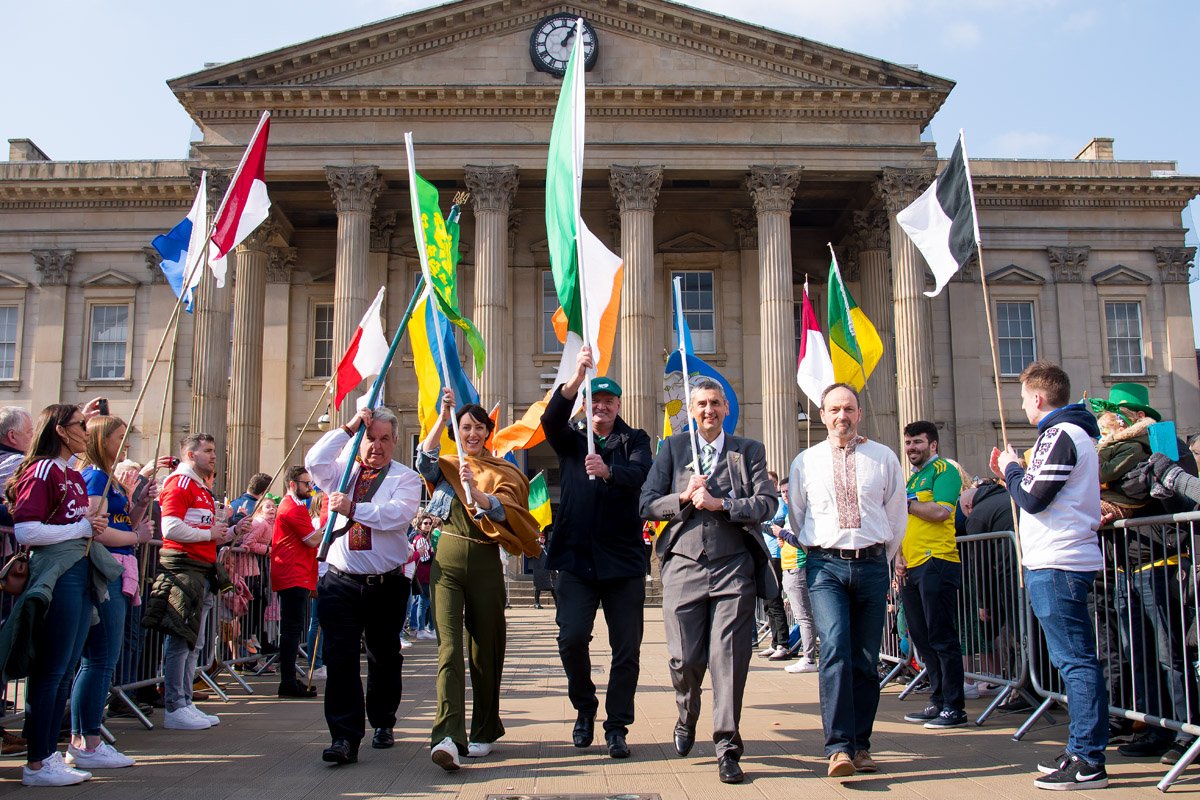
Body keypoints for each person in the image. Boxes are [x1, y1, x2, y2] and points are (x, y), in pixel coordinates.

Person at [640, 377, 778, 785]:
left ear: (725, 408)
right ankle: (687, 715)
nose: (708, 410)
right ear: (691, 408)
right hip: (683, 564)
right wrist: (682, 497)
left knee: (729, 659)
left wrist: (723, 504)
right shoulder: (673, 448)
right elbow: (645, 502)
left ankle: (726, 746)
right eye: (701, 403)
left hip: (733, 566)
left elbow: (768, 502)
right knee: (684, 659)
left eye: (715, 403)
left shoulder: (747, 451)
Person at [992, 360, 1109, 790]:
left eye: (1023, 398)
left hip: (1059, 561)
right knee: (1073, 661)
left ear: (1038, 398)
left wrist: (1009, 467)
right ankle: (1081, 747)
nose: (1022, 406)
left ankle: (1088, 758)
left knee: (1076, 662)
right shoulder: (1067, 435)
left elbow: (1032, 497)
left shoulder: (1060, 434)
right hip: (1058, 559)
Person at [786, 383, 906, 778]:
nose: (842, 416)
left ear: (859, 413)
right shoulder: (805, 461)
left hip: (872, 565)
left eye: (849, 409)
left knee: (867, 660)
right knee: (835, 648)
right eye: (834, 409)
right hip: (826, 568)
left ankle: (861, 745)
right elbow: (798, 517)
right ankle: (838, 747)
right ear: (822, 415)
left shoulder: (883, 457)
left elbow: (896, 516)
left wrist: (881, 560)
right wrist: (819, 552)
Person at [418, 389, 541, 771]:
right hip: (447, 564)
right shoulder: (447, 464)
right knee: (449, 649)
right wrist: (443, 416)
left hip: (486, 563)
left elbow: (510, 511)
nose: (471, 433)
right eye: (465, 427)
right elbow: (423, 458)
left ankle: (484, 728)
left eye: (478, 428)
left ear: (489, 431)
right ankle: (447, 736)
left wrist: (479, 493)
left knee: (485, 649)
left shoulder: (504, 470)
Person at [541, 345, 653, 759]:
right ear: (585, 405)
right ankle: (584, 708)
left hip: (622, 561)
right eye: (595, 400)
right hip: (574, 559)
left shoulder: (635, 439)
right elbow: (549, 420)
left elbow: (642, 474)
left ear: (618, 405)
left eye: (608, 401)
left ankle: (617, 724)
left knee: (627, 647)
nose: (601, 407)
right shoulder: (572, 439)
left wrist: (610, 472)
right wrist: (575, 378)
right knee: (571, 639)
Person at [0, 404, 118, 786]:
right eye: (80, 425)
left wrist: (89, 524)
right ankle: (37, 761)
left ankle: (48, 753)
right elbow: (28, 531)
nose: (87, 431)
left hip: (79, 570)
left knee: (66, 667)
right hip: (59, 572)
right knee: (51, 669)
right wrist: (81, 528)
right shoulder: (44, 469)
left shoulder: (71, 473)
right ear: (61, 431)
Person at [304, 406, 422, 766]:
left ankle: (383, 721)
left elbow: (395, 516)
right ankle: (344, 736)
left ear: (396, 441)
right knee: (340, 659)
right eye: (371, 439)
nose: (377, 446)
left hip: (386, 584)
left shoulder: (405, 478)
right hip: (340, 581)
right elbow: (313, 461)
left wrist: (353, 507)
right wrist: (350, 426)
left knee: (384, 657)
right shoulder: (342, 473)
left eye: (384, 439)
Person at [68, 417, 158, 770]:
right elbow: (98, 531)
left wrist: (137, 504)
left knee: (102, 658)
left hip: (120, 570)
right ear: (101, 440)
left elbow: (124, 522)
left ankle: (86, 736)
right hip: (106, 571)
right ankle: (87, 739)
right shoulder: (94, 477)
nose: (126, 445)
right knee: (100, 659)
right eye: (120, 439)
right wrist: (136, 538)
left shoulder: (112, 480)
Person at [144, 433, 238, 731]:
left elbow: (204, 529)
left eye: (213, 450)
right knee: (182, 639)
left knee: (193, 641)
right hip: (185, 568)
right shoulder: (180, 483)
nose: (213, 456)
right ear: (189, 455)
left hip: (202, 569)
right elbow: (170, 527)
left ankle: (184, 700)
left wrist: (226, 533)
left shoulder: (199, 487)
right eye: (207, 451)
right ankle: (176, 704)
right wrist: (209, 535)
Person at [895, 420, 966, 730]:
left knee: (942, 637)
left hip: (937, 561)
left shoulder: (944, 471)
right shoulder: (910, 480)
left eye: (918, 442)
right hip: (911, 566)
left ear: (933, 445)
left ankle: (955, 706)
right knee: (922, 638)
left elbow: (941, 512)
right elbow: (901, 523)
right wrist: (898, 557)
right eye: (908, 443)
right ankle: (937, 700)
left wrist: (908, 505)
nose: (912, 448)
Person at [271, 465, 321, 698]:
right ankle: (287, 681)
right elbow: (312, 540)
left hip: (297, 572)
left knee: (293, 629)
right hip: (293, 573)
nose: (310, 487)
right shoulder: (292, 508)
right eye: (306, 483)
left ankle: (289, 680)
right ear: (293, 484)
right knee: (291, 630)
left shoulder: (293, 506)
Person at [772, 479, 817, 673]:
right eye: (782, 492)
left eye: (789, 491)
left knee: (804, 617)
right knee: (802, 617)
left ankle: (809, 658)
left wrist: (782, 533)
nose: (785, 495)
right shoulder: (790, 514)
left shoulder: (803, 513)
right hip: (788, 566)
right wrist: (783, 539)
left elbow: (803, 542)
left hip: (799, 567)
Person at [757, 470, 791, 661]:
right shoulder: (764, 501)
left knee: (774, 599)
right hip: (765, 552)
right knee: (768, 602)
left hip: (776, 555)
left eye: (771, 483)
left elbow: (776, 527)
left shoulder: (780, 504)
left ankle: (783, 644)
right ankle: (774, 641)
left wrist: (758, 522)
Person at [531, 532, 556, 608]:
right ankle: (536, 603)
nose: (542, 539)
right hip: (539, 570)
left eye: (543, 538)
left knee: (552, 587)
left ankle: (557, 603)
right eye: (541, 538)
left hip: (546, 570)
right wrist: (538, 548)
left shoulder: (546, 547)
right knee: (538, 587)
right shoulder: (535, 547)